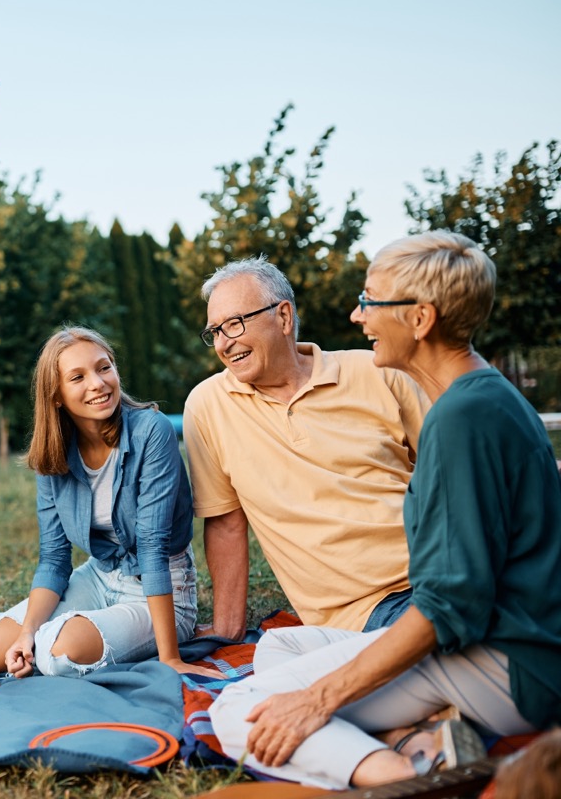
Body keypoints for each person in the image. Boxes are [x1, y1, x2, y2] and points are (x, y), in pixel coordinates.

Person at [207, 231, 561, 789]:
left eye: (370, 301)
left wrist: (316, 700)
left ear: (420, 319)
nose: (356, 315)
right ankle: (421, 741)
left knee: (237, 710)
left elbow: (448, 607)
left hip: (509, 663)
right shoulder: (483, 397)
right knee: (280, 646)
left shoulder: (461, 419)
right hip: (505, 641)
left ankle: (412, 774)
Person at [183, 258, 431, 638]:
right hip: (371, 608)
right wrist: (227, 629)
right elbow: (226, 523)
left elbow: (451, 467)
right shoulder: (208, 406)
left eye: (234, 324)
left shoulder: (377, 371)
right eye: (215, 331)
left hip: (447, 565)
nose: (223, 342)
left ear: (283, 317)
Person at [0, 327, 221, 679]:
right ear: (56, 395)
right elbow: (55, 560)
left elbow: (152, 545)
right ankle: (52, 631)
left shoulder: (152, 431)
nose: (98, 383)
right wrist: (26, 634)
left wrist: (170, 658)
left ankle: (89, 633)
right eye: (78, 377)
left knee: (58, 653)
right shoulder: (53, 455)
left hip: (161, 590)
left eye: (104, 368)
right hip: (98, 577)